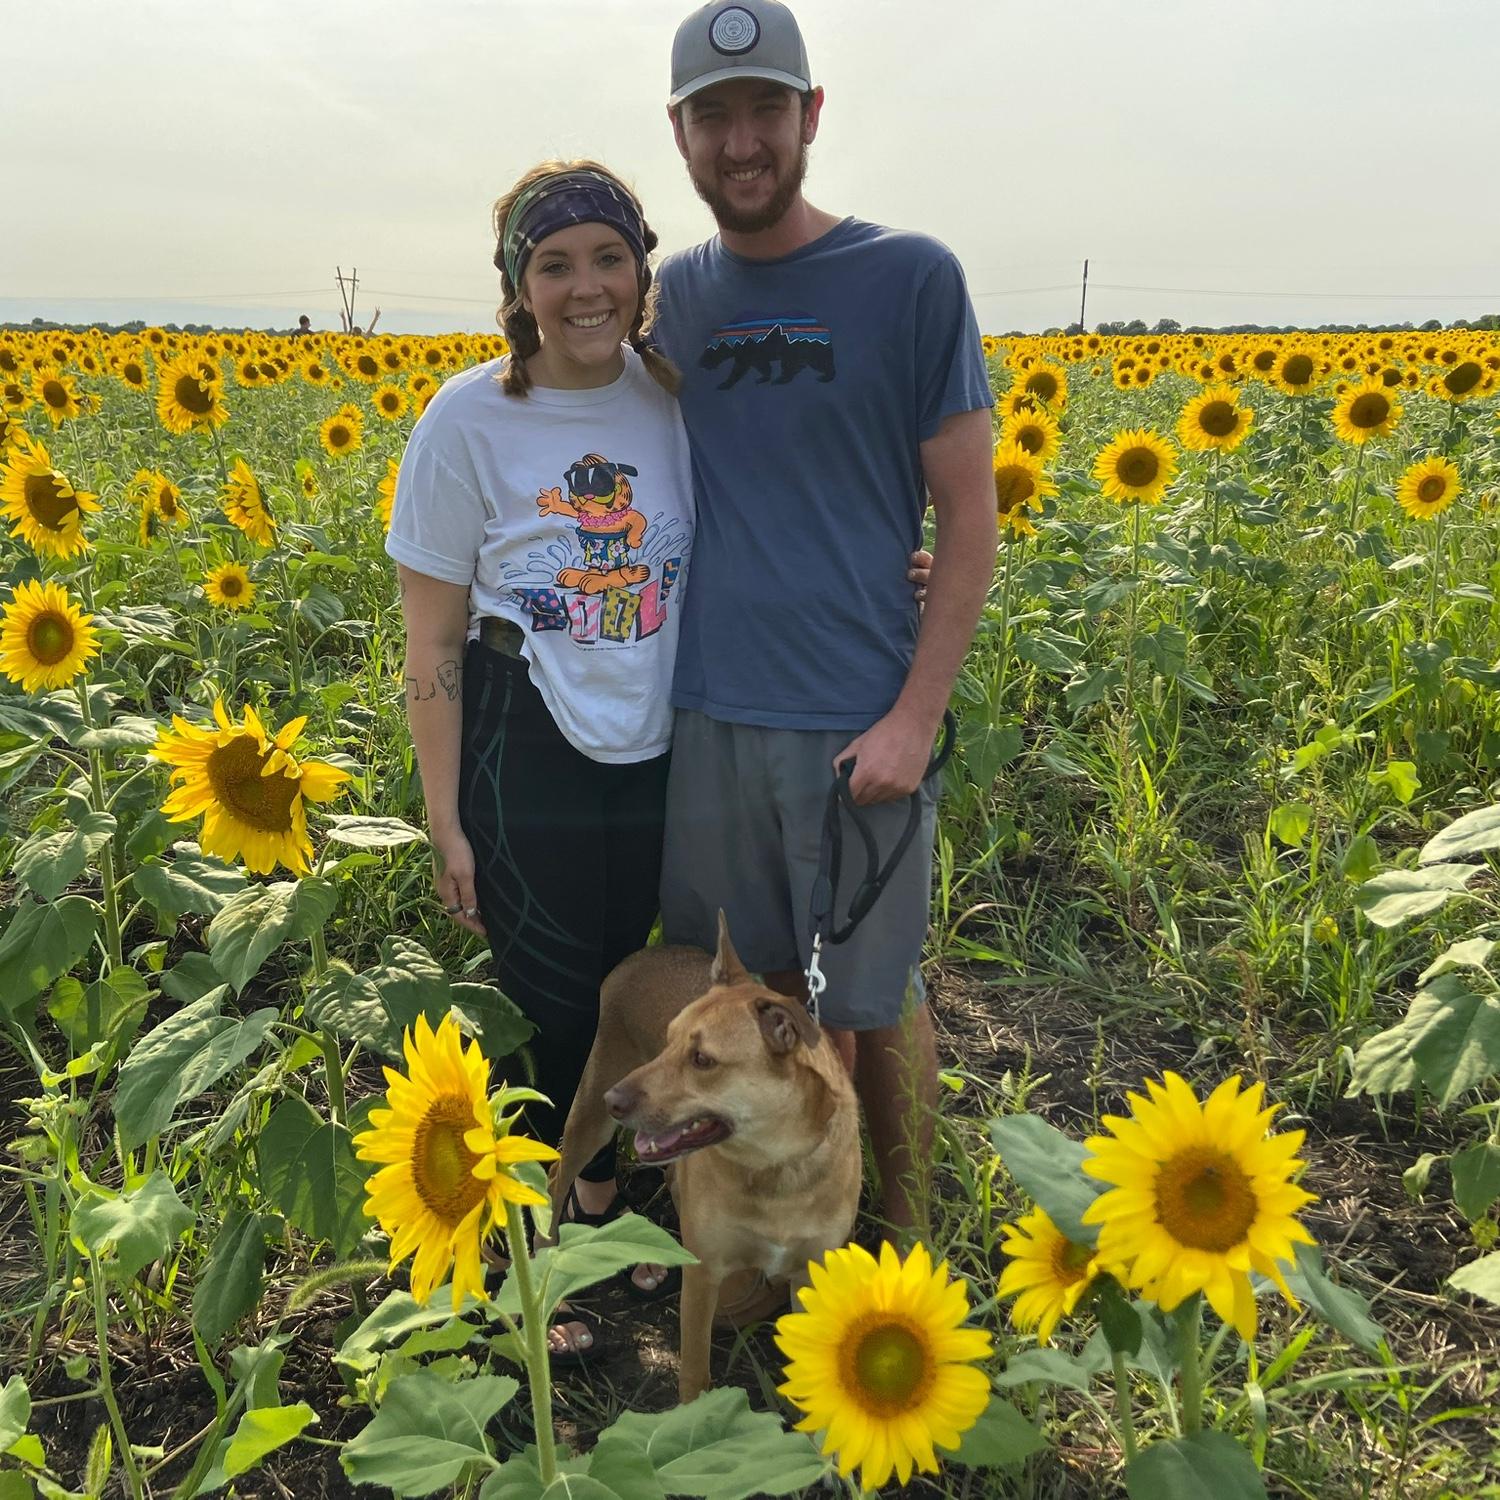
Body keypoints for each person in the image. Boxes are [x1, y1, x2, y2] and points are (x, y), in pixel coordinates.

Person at [653, 0, 998, 1245]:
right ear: (680, 136)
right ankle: (752, 1244)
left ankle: (897, 1240)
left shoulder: (909, 276)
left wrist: (917, 713)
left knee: (865, 996)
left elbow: (969, 515)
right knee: (729, 995)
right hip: (704, 712)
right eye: (712, 117)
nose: (740, 142)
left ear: (809, 116)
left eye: (763, 111)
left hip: (856, 714)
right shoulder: (670, 299)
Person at [385, 160, 694, 1360]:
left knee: (636, 985)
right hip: (529, 732)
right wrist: (444, 810)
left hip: (665, 737)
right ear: (517, 284)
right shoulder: (469, 419)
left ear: (640, 269)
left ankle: (604, 1194)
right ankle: (533, 1249)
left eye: (607, 258)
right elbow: (430, 636)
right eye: (553, 264)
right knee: (551, 999)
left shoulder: (672, 397)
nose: (584, 288)